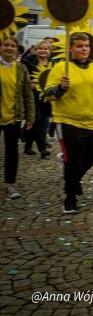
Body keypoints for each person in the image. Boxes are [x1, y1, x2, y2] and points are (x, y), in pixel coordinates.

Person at [44, 32, 93, 213]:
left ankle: (73, 179)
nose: (84, 49)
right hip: (68, 121)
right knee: (74, 161)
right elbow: (47, 95)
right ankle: (70, 198)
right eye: (79, 46)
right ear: (70, 49)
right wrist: (60, 88)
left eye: (86, 46)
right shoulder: (60, 68)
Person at [2, 37, 34, 199]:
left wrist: (30, 117)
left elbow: (27, 94)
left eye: (12, 46)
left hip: (13, 117)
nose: (9, 48)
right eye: (6, 45)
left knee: (11, 151)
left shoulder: (21, 69)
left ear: (17, 49)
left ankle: (10, 184)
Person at [22, 39, 53, 158]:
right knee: (37, 120)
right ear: (36, 50)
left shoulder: (52, 63)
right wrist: (31, 84)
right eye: (40, 48)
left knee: (43, 121)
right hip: (33, 96)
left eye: (45, 49)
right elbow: (24, 77)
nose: (43, 51)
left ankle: (28, 145)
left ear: (49, 50)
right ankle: (43, 149)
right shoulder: (28, 61)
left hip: (47, 96)